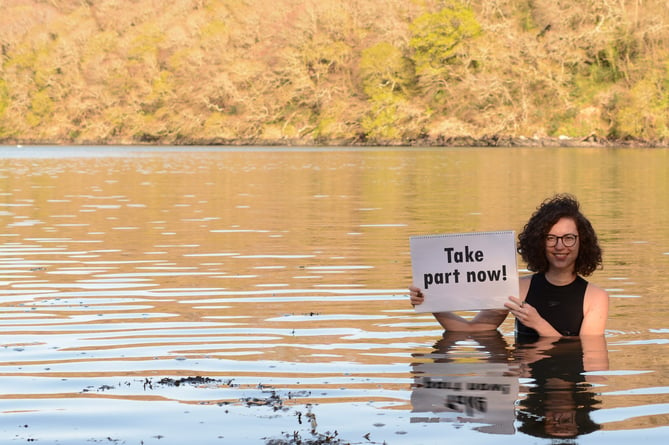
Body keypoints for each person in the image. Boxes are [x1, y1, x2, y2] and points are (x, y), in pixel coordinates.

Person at [408, 194, 609, 337]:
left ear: (582, 242)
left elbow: (590, 358)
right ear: (539, 241)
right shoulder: (517, 289)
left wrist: (538, 324)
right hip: (529, 388)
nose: (559, 246)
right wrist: (431, 302)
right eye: (551, 238)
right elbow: (472, 330)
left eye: (568, 238)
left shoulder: (596, 297)